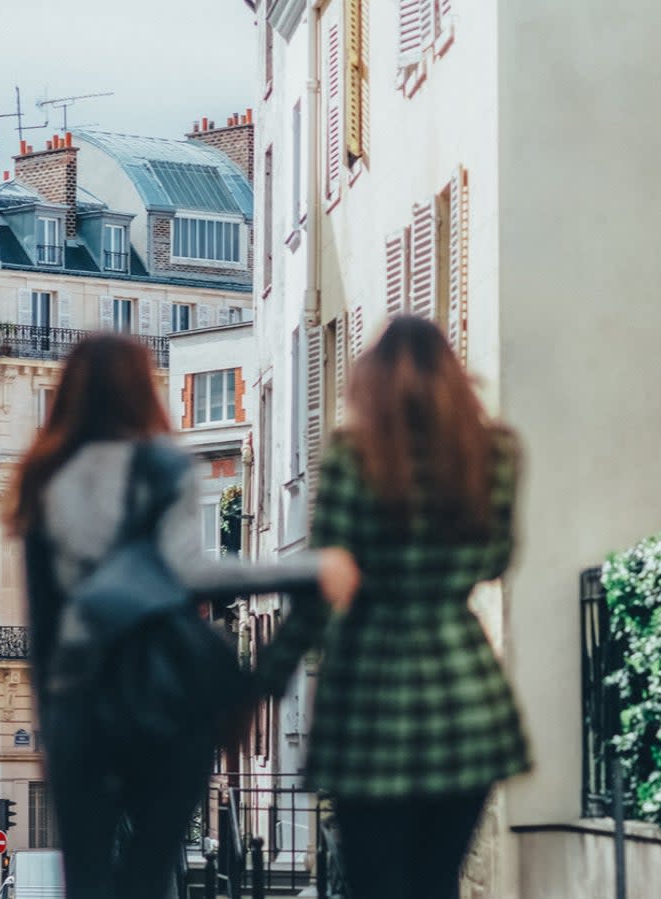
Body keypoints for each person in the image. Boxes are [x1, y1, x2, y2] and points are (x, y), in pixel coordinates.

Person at [7, 333, 316, 899]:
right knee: (149, 873)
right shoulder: (160, 465)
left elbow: (42, 619)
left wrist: (53, 718)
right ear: (141, 389)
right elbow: (190, 573)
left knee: (88, 882)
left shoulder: (42, 475)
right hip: (166, 697)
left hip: (79, 699)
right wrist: (302, 571)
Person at [257, 315, 531, 899]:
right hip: (464, 696)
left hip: (370, 695)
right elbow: (496, 561)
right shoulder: (495, 454)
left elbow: (321, 584)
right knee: (437, 884)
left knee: (376, 886)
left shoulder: (355, 458)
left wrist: (265, 678)